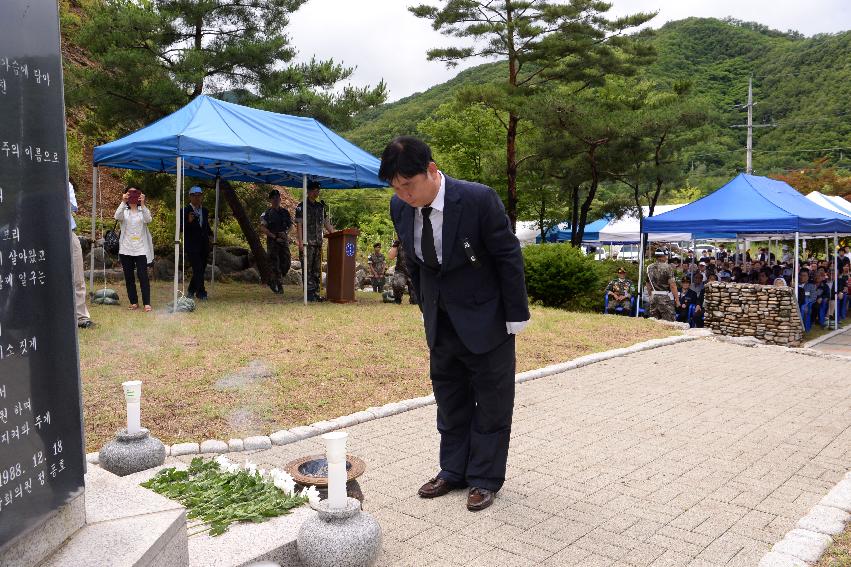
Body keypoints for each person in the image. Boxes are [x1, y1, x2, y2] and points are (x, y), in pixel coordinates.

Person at [380, 136, 529, 512]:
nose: (404, 195)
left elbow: (508, 256)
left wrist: (515, 314)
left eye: (409, 185)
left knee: (492, 402)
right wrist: (425, 308)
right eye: (396, 188)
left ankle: (483, 478)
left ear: (432, 171)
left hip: (488, 318)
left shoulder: (478, 199)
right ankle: (453, 470)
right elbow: (413, 263)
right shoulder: (399, 209)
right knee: (450, 399)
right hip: (441, 320)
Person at [115, 187, 154, 311]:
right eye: (130, 193)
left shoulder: (142, 211)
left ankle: (146, 303)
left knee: (143, 276)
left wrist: (142, 204)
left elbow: (149, 219)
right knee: (129, 277)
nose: (132, 195)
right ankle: (133, 302)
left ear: (140, 195)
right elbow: (117, 216)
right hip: (126, 249)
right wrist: (123, 201)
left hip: (141, 248)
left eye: (135, 193)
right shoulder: (124, 210)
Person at [295, 181, 334, 302]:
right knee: (307, 269)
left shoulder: (320, 207)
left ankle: (315, 293)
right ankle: (308, 293)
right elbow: (299, 225)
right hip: (307, 243)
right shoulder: (301, 206)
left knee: (316, 270)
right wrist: (300, 242)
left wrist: (335, 233)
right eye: (314, 190)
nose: (317, 193)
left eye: (318, 190)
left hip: (318, 242)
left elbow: (326, 222)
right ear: (308, 191)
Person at [68, 180, 93, 328]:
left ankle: (81, 317)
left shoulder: (67, 183)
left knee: (78, 276)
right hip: (44, 234)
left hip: (67, 231)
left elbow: (73, 207)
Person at [183, 186, 213, 300]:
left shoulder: (204, 210)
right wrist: (189, 221)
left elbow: (205, 226)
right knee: (198, 268)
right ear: (190, 197)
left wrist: (211, 236)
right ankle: (201, 292)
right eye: (194, 195)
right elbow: (180, 228)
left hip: (204, 244)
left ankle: (191, 290)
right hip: (192, 245)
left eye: (199, 195)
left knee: (201, 268)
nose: (197, 198)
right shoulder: (185, 210)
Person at [260, 189, 292, 294]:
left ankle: (272, 280)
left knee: (286, 263)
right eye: (274, 198)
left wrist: (286, 232)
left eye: (278, 198)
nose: (276, 200)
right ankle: (279, 286)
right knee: (275, 264)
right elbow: (263, 228)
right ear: (270, 200)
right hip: (273, 240)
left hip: (283, 240)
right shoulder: (266, 213)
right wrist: (273, 236)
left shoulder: (285, 212)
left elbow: (290, 226)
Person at [646, 250, 679, 321]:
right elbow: (672, 285)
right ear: (663, 257)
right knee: (669, 322)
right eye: (666, 256)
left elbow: (648, 284)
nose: (666, 258)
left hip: (654, 296)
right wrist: (677, 299)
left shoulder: (649, 267)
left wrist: (650, 295)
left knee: (654, 321)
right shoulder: (668, 267)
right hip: (665, 298)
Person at [388, 238, 417, 304]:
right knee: (397, 284)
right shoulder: (399, 242)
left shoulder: (417, 240)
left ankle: (414, 299)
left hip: (414, 272)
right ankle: (397, 299)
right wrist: (395, 244)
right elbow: (390, 257)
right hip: (401, 272)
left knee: (416, 301)